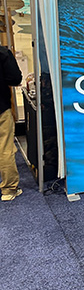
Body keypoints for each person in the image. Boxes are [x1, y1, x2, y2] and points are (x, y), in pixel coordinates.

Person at [1, 44, 23, 201]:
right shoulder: (3, 53)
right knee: (5, 148)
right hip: (1, 108)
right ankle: (9, 190)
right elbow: (15, 78)